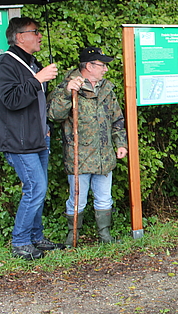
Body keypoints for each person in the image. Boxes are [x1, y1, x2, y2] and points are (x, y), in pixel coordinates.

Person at [0, 17, 64, 260]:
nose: (40, 36)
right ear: (20, 37)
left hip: (38, 137)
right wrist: (38, 79)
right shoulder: (5, 64)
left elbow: (37, 102)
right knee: (35, 188)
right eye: (35, 32)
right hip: (18, 141)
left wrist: (46, 125)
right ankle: (20, 243)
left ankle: (36, 237)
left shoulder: (31, 63)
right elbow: (11, 100)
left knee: (38, 190)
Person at [48, 47, 128, 245]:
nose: (106, 70)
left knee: (104, 197)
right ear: (89, 66)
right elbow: (53, 115)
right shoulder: (68, 86)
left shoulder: (107, 88)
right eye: (102, 65)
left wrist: (120, 143)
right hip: (79, 155)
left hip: (104, 155)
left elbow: (117, 118)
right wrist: (68, 94)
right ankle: (72, 236)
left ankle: (105, 236)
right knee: (77, 200)